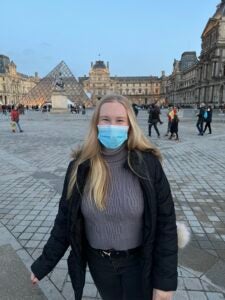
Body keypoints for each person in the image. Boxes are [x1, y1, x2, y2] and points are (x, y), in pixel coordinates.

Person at [30, 94, 178, 300]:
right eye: (105, 119)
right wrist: (43, 264)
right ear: (96, 123)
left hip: (140, 262)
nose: (112, 126)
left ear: (129, 125)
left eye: (119, 120)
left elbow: (166, 224)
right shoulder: (79, 167)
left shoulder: (148, 164)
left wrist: (164, 282)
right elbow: (65, 221)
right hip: (100, 265)